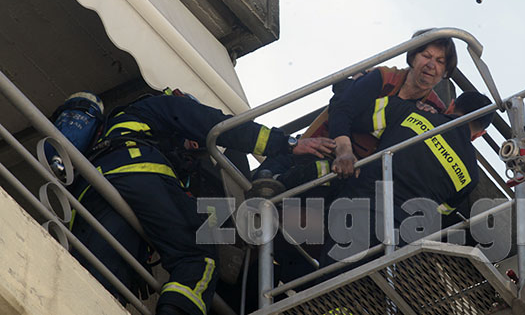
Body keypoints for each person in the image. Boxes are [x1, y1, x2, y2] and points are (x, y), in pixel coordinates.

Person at [69, 92, 335, 315]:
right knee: (199, 257)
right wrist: (287, 143)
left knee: (103, 278)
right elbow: (216, 126)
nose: (195, 147)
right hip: (138, 169)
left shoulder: (118, 132)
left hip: (93, 189)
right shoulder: (166, 106)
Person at [321, 91, 492, 267]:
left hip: (359, 214)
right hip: (402, 245)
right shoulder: (471, 176)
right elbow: (440, 211)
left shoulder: (410, 113)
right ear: (479, 134)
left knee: (328, 283)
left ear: (451, 106)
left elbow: (350, 110)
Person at [327, 29, 458, 178]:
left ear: (445, 71)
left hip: (373, 175)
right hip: (332, 152)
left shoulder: (435, 110)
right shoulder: (383, 78)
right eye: (426, 56)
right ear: (413, 57)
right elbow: (343, 110)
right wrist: (345, 153)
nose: (431, 65)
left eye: (440, 61)